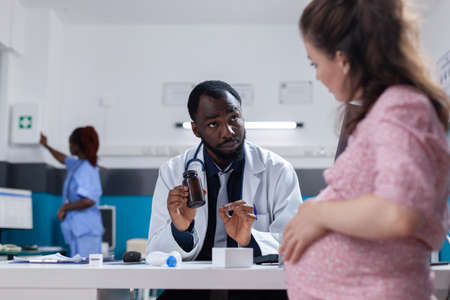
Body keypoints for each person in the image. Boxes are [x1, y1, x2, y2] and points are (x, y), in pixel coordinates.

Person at [280, 0, 450, 299]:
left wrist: (318, 214)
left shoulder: (401, 106)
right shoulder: (384, 111)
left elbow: (400, 212)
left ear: (342, 59)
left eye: (315, 63)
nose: (317, 76)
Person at [147, 80, 302, 300]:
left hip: (257, 288)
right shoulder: (172, 172)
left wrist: (250, 239)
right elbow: (154, 252)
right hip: (193, 289)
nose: (228, 132)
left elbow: (297, 243)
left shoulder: (277, 170)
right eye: (213, 124)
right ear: (196, 129)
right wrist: (180, 230)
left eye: (233, 119)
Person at [40, 127, 104, 258]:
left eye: (70, 143)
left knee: (85, 272)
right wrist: (46, 145)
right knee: (78, 269)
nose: (69, 146)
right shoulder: (78, 164)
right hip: (80, 229)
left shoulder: (86, 168)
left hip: (86, 230)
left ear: (78, 145)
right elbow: (62, 158)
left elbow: (89, 200)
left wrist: (65, 207)